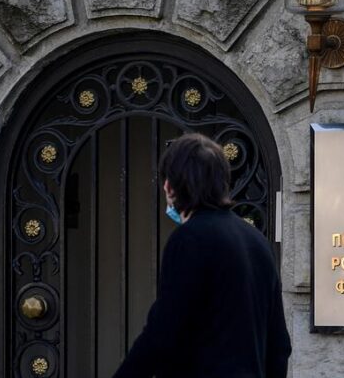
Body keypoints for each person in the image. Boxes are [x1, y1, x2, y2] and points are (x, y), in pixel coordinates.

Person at [113, 133, 291, 378]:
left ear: (170, 186)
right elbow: (279, 344)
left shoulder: (190, 239)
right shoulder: (257, 241)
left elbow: (163, 333)